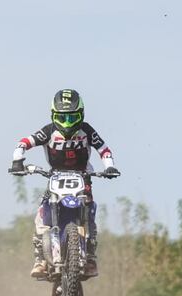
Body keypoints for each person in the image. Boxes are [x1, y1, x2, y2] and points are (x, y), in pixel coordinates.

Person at [9, 89, 120, 279]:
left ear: (81, 115)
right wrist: (17, 160)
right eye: (63, 117)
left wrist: (109, 167)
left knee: (90, 211)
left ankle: (91, 257)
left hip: (83, 176)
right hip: (55, 176)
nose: (67, 123)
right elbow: (25, 142)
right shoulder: (49, 131)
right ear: (54, 115)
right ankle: (41, 260)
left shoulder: (87, 130)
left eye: (72, 117)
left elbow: (103, 149)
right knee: (42, 214)